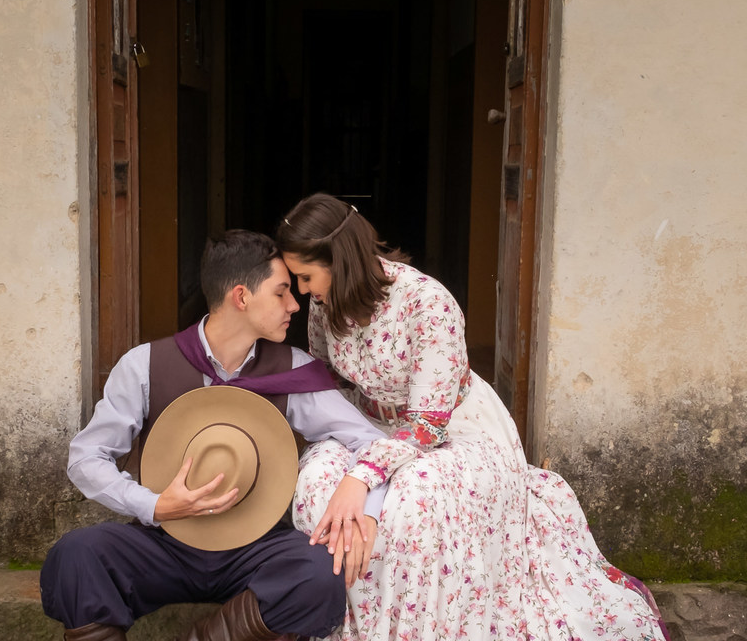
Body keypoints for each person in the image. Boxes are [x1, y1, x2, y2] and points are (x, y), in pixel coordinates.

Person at [275, 192, 670, 641]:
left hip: (450, 430)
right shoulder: (324, 307)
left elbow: (427, 424)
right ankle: (348, 628)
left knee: (413, 504)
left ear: (339, 259)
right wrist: (350, 457)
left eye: (306, 277)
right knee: (315, 485)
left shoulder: (427, 303)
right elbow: (330, 385)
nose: (303, 292)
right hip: (365, 427)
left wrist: (362, 477)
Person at [40, 230, 390, 641]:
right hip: (164, 545)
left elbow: (371, 441)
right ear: (241, 298)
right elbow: (86, 457)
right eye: (281, 293)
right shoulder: (144, 365)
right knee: (76, 555)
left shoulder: (291, 369)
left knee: (318, 571)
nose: (295, 304)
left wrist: (362, 498)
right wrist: (153, 505)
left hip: (256, 550)